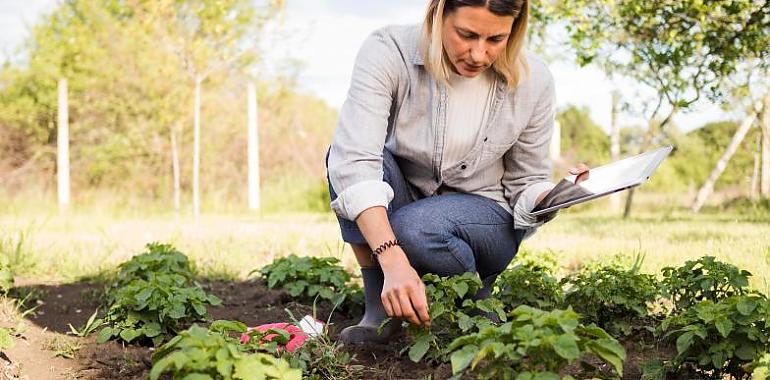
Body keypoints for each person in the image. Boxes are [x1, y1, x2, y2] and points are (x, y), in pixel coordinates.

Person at [325, 0, 589, 345]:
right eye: (467, 35)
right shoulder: (389, 52)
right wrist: (391, 259)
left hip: (487, 218)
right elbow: (355, 162)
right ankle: (382, 310)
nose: (479, 55)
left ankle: (476, 305)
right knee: (343, 160)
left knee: (415, 226)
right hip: (409, 201)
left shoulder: (533, 80)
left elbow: (525, 182)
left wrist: (552, 196)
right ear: (438, 14)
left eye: (496, 39)